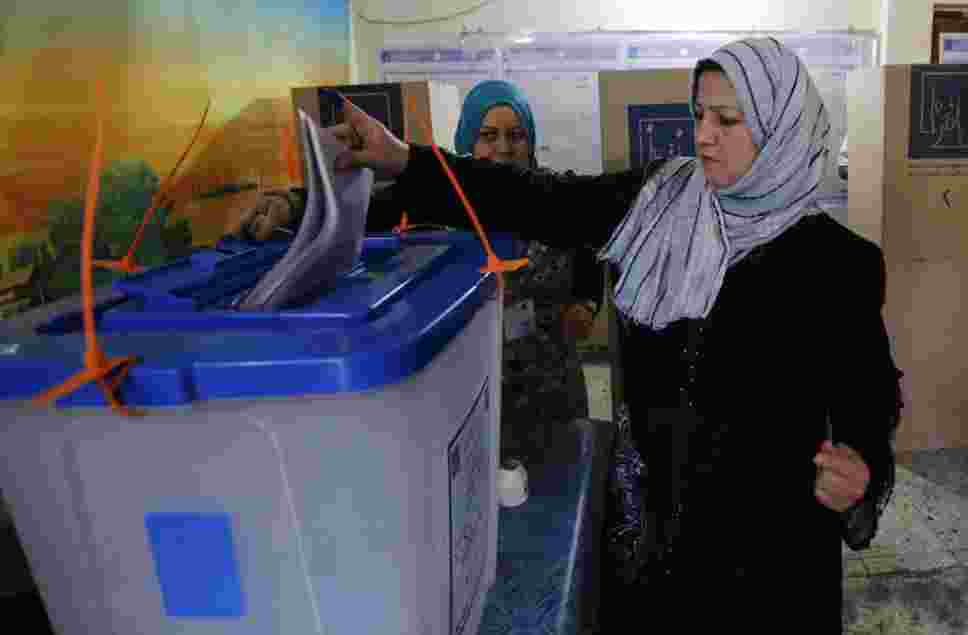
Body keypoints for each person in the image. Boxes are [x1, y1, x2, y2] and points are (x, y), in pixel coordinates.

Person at [326, 37, 904, 631]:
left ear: (781, 126)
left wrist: (864, 476)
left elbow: (871, 398)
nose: (704, 135)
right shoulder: (659, 203)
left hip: (765, 557)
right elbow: (534, 197)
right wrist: (408, 162)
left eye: (728, 120)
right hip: (650, 534)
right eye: (699, 115)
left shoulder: (838, 265)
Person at [233, 80, 604, 467]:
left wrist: (587, 301)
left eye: (517, 135)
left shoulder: (550, 195)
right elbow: (368, 209)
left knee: (561, 495)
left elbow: (592, 244)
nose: (504, 147)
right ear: (468, 140)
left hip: (550, 389)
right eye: (489, 135)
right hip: (471, 392)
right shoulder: (443, 197)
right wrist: (292, 204)